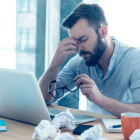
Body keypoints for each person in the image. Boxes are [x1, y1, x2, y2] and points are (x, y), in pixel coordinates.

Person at [39, 3, 140, 117]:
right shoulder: (79, 62)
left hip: (124, 133)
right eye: (76, 42)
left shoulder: (135, 60)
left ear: (103, 31)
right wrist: (54, 64)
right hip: (90, 132)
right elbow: (44, 99)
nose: (79, 48)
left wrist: (101, 99)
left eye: (83, 39)